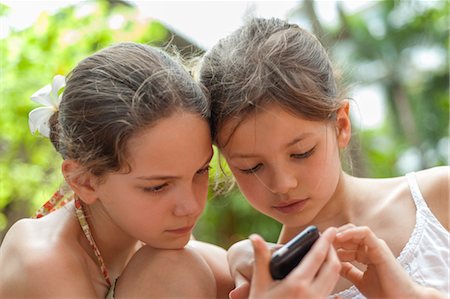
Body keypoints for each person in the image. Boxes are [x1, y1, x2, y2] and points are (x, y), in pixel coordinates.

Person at [198, 17, 449, 298]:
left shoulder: (439, 197)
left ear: (341, 126)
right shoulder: (268, 285)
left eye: (301, 152)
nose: (282, 184)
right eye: (251, 167)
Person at [0, 42, 234, 298]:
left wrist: (245, 255)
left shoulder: (144, 233)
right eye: (157, 186)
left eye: (200, 171)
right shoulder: (43, 261)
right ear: (85, 182)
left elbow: (240, 269)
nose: (190, 206)